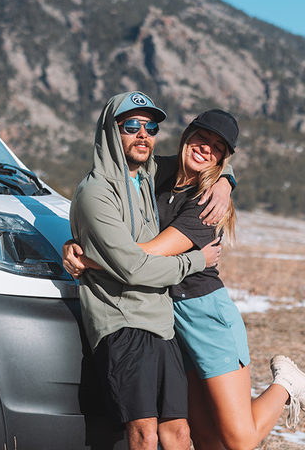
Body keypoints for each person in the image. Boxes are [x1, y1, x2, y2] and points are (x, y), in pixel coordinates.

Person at [64, 108, 305, 450]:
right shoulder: (158, 175)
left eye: (218, 148)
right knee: (203, 436)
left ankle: (286, 384)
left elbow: (145, 254)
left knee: (240, 439)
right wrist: (76, 241)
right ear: (186, 135)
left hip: (206, 313)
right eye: (202, 137)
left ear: (222, 158)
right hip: (168, 317)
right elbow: (115, 223)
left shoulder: (206, 204)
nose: (207, 148)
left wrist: (90, 260)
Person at [68, 91, 233, 450]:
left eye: (151, 126)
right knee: (143, 435)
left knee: (179, 434)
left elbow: (205, 158)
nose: (143, 135)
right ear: (112, 131)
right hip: (123, 321)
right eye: (131, 126)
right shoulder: (96, 193)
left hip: (161, 322)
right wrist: (196, 261)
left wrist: (225, 181)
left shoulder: (148, 173)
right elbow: (133, 267)